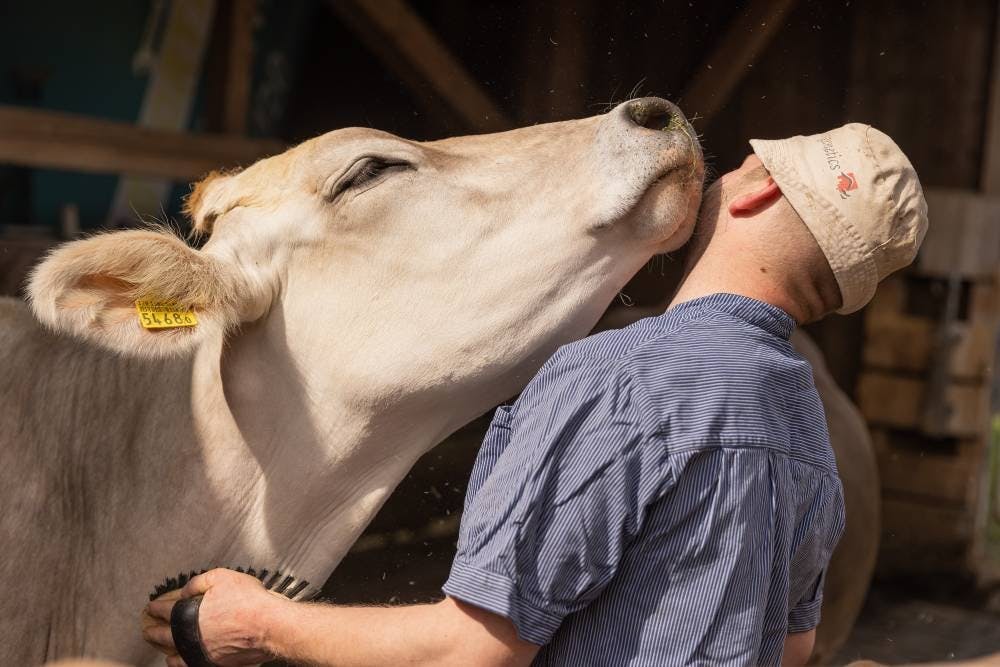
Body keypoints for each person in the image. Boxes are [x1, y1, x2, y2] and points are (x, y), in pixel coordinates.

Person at [143, 123, 927, 667]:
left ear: (756, 189)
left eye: (745, 164)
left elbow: (473, 649)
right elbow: (792, 651)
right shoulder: (811, 432)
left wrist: (256, 623)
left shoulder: (618, 381)